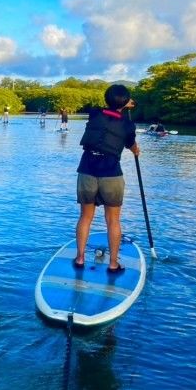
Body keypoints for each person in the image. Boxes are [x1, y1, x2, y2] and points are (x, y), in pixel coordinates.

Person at [73, 84, 140, 273]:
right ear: (126, 102)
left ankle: (80, 258)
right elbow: (130, 144)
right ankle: (113, 263)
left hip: (87, 171)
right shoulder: (128, 125)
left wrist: (122, 105)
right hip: (111, 174)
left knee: (85, 217)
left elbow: (108, 115)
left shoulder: (94, 113)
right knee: (113, 220)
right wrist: (136, 150)